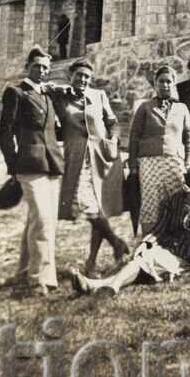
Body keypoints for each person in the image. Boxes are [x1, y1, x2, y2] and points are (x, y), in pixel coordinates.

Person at [70, 161, 190, 297]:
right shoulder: (174, 200)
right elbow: (158, 230)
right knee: (141, 259)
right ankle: (93, 286)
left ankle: (111, 287)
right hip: (164, 249)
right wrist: (145, 243)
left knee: (142, 261)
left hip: (184, 257)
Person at [0, 46, 64, 295]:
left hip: (51, 164)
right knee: (43, 221)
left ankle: (24, 271)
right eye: (37, 66)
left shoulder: (47, 96)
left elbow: (53, 131)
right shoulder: (16, 93)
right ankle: (39, 279)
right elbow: (5, 131)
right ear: (28, 67)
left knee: (38, 220)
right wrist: (12, 164)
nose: (42, 71)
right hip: (28, 164)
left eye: (46, 67)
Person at [53, 58, 129, 277]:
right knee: (89, 207)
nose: (83, 79)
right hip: (77, 159)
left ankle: (91, 263)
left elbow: (112, 122)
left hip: (101, 158)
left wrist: (113, 141)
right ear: (71, 76)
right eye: (79, 75)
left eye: (87, 76)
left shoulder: (99, 96)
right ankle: (116, 243)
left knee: (98, 209)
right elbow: (47, 89)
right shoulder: (62, 97)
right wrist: (65, 88)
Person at [128, 64, 190, 234]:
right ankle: (149, 242)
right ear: (155, 84)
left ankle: (177, 240)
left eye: (168, 82)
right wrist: (133, 166)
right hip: (149, 161)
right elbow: (134, 136)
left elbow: (188, 138)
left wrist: (188, 162)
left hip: (175, 161)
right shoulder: (145, 107)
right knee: (151, 202)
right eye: (161, 81)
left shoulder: (182, 108)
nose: (165, 85)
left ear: (173, 84)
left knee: (178, 199)